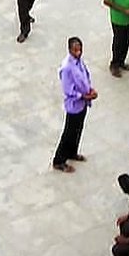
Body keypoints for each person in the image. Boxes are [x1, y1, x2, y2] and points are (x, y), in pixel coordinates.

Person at [52, 36, 97, 172]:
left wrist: (90, 89)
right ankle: (59, 160)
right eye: (75, 50)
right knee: (69, 133)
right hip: (74, 105)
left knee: (78, 130)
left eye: (80, 50)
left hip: (83, 104)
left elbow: (85, 77)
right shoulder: (67, 68)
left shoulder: (79, 62)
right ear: (70, 50)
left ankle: (72, 152)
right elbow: (68, 90)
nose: (78, 53)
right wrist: (83, 96)